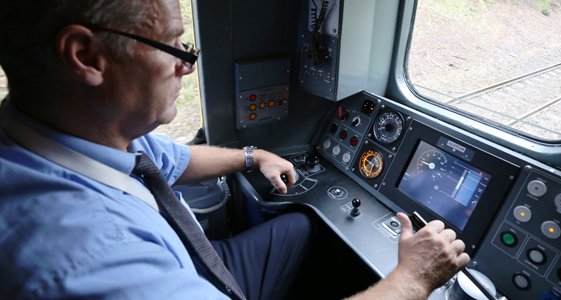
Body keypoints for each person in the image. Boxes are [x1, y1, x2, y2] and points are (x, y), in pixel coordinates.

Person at [0, 0, 469, 299]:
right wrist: (412, 278)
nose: (187, 64)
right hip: (187, 279)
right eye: (170, 44)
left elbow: (174, 161)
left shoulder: (85, 130)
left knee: (303, 225)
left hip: (201, 264)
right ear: (87, 57)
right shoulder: (92, 258)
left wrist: (253, 156)